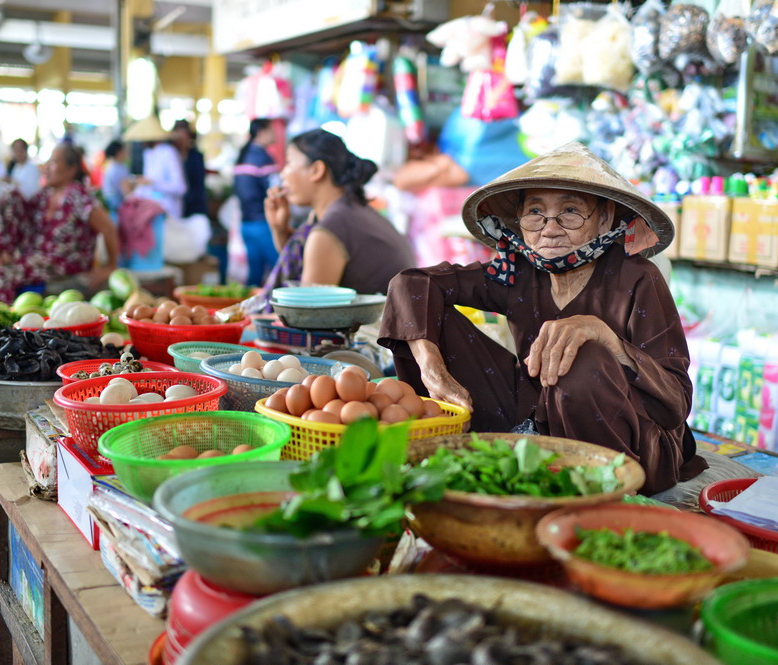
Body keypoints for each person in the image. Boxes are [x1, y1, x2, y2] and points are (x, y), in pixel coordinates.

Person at [378, 143, 707, 495]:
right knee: (427, 313)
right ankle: (504, 450)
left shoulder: (638, 279)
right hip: (536, 419)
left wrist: (606, 339)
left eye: (570, 211)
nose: (549, 228)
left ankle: (596, 486)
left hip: (632, 443)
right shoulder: (519, 270)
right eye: (535, 212)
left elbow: (676, 399)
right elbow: (413, 283)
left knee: (587, 356)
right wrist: (432, 369)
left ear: (605, 218)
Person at [262, 129, 415, 298]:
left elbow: (309, 311)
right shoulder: (348, 209)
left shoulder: (332, 228)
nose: (282, 174)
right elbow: (303, 262)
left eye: (289, 163)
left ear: (316, 170)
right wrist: (280, 229)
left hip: (379, 324)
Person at [0, 143, 119, 302]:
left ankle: (6, 323)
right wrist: (0, 247)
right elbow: (19, 215)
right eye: (47, 162)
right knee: (11, 196)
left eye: (54, 162)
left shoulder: (78, 195)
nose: (47, 167)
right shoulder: (45, 194)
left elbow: (108, 229)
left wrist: (110, 267)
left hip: (67, 261)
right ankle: (5, 253)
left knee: (3, 275)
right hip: (40, 256)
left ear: (72, 169)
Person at [235, 119, 280, 285]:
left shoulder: (244, 155)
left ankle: (251, 310)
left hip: (246, 223)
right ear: (262, 132)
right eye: (272, 130)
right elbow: (275, 190)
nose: (275, 134)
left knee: (254, 274)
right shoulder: (262, 158)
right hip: (263, 222)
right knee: (279, 271)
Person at [126, 116, 186, 220]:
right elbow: (147, 185)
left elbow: (180, 187)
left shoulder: (168, 153)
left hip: (168, 213)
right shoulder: (148, 153)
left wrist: (153, 183)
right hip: (150, 211)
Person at [172, 120, 208, 218]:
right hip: (175, 206)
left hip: (193, 207)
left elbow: (198, 184)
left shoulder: (196, 157)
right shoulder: (171, 156)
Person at [101, 140, 131, 211]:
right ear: (119, 152)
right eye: (124, 150)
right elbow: (123, 188)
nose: (126, 153)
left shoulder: (120, 166)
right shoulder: (114, 169)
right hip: (114, 202)